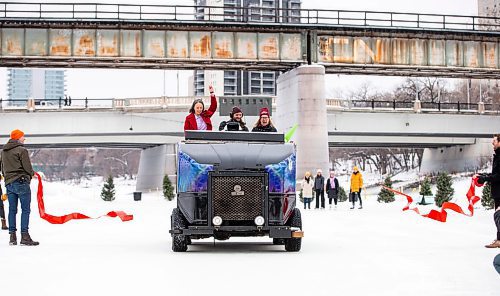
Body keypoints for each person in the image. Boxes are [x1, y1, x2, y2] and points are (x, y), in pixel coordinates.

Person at [1, 129, 39, 246]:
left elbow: (2, 168)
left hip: (9, 183)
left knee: (12, 210)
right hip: (21, 182)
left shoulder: (3, 151)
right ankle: (24, 236)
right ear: (18, 138)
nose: (24, 139)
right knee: (25, 210)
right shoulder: (22, 150)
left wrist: (7, 178)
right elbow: (27, 167)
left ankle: (12, 237)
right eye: (23, 137)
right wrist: (33, 174)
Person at [477, 134, 500, 248]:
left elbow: (499, 176)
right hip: (497, 191)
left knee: (498, 215)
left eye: (494, 141)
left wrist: (485, 178)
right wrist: (483, 175)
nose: (492, 143)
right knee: (498, 215)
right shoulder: (498, 155)